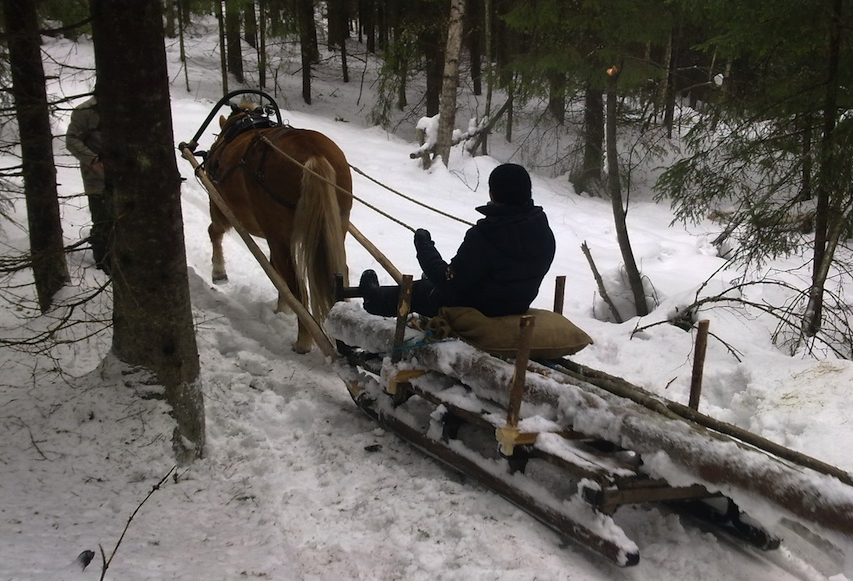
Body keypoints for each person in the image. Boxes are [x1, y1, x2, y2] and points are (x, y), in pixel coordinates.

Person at [359, 163, 556, 318]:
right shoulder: (544, 232)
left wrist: (424, 246)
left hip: (477, 307)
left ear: (492, 194)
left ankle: (372, 298)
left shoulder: (486, 235)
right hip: (516, 304)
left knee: (420, 292)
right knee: (434, 283)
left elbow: (449, 281)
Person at [66, 95, 111, 272]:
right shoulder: (84, 111)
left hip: (126, 177)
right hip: (97, 179)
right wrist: (94, 160)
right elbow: (71, 141)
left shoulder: (127, 107)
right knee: (102, 219)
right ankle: (103, 264)